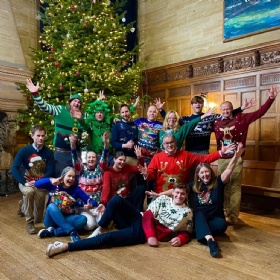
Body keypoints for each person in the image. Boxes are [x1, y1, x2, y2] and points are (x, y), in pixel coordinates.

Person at [45, 183, 193, 258]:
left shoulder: (187, 212)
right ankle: (101, 227)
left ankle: (65, 246)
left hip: (141, 232)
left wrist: (180, 238)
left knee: (107, 239)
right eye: (177, 192)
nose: (179, 196)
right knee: (116, 199)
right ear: (173, 192)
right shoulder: (163, 199)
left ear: (186, 196)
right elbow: (147, 215)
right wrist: (152, 236)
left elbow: (187, 232)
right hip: (142, 221)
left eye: (182, 194)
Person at [213, 85, 279, 224]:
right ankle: (224, 210)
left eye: (228, 109)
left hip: (236, 157)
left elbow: (260, 112)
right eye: (223, 109)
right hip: (222, 159)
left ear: (232, 109)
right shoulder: (216, 122)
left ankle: (233, 215)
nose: (225, 111)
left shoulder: (242, 118)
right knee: (223, 185)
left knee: (235, 186)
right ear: (221, 111)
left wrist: (271, 99)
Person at [189, 143, 244, 258]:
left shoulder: (218, 183)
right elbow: (178, 190)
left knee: (222, 225)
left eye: (207, 171)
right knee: (198, 213)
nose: (205, 174)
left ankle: (201, 231)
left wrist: (236, 156)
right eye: (202, 173)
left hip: (215, 218)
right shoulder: (193, 186)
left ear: (211, 172)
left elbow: (229, 169)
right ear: (198, 175)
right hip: (200, 217)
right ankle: (211, 242)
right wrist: (159, 193)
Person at [26, 78, 88, 177]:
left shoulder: (83, 116)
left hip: (76, 154)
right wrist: (35, 94)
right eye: (75, 101)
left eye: (79, 102)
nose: (77, 103)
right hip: (61, 154)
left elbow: (88, 129)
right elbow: (45, 107)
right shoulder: (60, 110)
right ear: (70, 102)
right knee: (60, 179)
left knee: (77, 180)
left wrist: (81, 120)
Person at [139, 134, 236, 195]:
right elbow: (151, 175)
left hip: (181, 195)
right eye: (166, 143)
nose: (169, 145)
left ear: (176, 142)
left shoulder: (186, 155)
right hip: (161, 194)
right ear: (163, 145)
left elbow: (204, 159)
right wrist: (146, 174)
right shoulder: (157, 157)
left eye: (172, 142)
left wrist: (220, 153)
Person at [11, 125, 55, 234]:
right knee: (29, 192)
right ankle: (29, 224)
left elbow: (50, 170)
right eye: (38, 135)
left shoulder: (48, 152)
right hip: (26, 182)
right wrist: (24, 182)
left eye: (43, 136)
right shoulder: (24, 151)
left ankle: (23, 205)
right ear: (32, 136)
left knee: (38, 219)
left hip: (40, 183)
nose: (41, 138)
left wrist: (39, 182)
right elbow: (14, 168)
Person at [35, 166, 98, 242]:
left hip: (66, 218)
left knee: (83, 219)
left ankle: (52, 232)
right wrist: (51, 180)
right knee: (51, 206)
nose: (71, 179)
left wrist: (90, 205)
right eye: (69, 176)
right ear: (63, 176)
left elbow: (92, 201)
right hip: (51, 220)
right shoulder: (54, 185)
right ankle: (72, 232)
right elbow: (36, 184)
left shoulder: (76, 190)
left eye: (73, 177)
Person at [179, 96, 256, 154]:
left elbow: (226, 113)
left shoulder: (210, 117)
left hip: (204, 152)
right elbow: (170, 123)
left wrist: (242, 108)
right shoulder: (184, 119)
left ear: (202, 105)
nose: (197, 104)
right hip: (188, 152)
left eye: (200, 103)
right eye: (195, 103)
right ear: (192, 105)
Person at [70, 131, 109, 230]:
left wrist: (106, 144)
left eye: (93, 157)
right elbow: (74, 159)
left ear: (96, 159)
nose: (91, 159)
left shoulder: (100, 169)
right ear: (86, 159)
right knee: (90, 226)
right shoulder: (80, 169)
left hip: (96, 205)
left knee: (102, 224)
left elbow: (104, 158)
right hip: (84, 206)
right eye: (89, 157)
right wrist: (73, 145)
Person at [98, 146, 146, 214]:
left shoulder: (126, 167)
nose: (122, 162)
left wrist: (139, 158)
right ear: (114, 159)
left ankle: (137, 214)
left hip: (127, 199)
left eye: (124, 160)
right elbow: (106, 189)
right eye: (120, 160)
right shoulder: (108, 172)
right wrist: (103, 203)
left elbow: (140, 168)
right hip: (116, 202)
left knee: (140, 188)